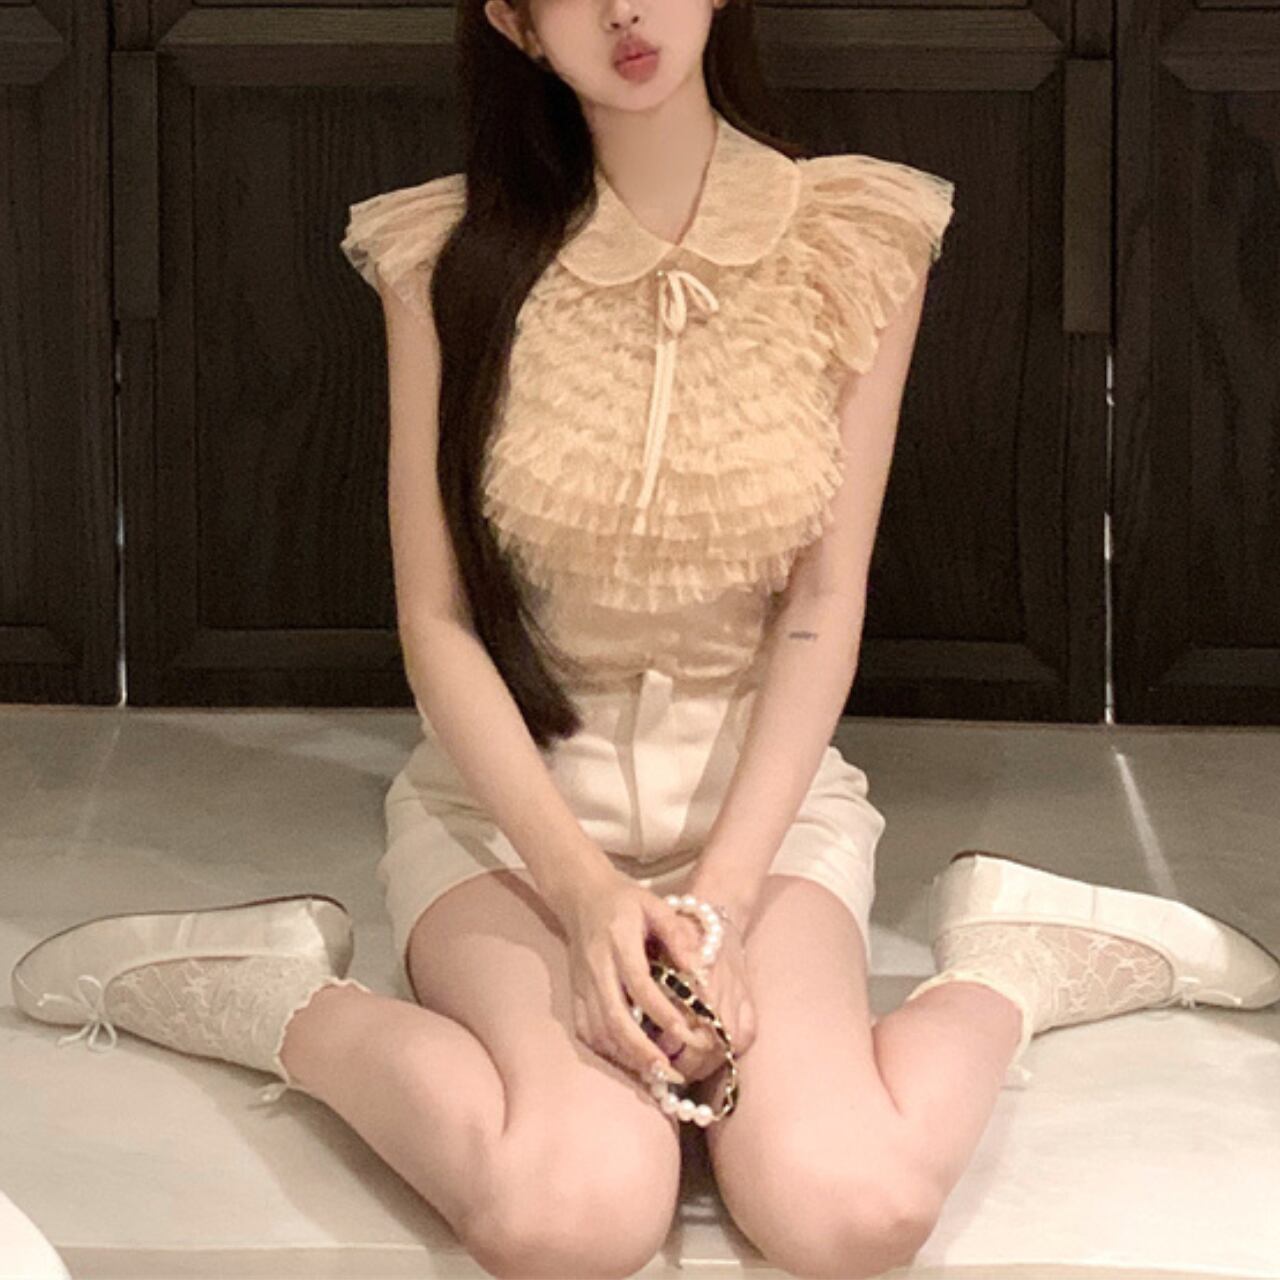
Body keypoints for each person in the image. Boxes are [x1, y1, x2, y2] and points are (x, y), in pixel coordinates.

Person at [13, 2, 1279, 1278]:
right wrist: (583, 898)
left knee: (847, 1209)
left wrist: (719, 901)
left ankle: (1010, 967)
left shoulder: (852, 235)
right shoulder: (442, 254)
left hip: (759, 814)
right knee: (577, 1214)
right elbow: (436, 622)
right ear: (515, 22)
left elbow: (822, 604)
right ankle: (269, 995)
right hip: (508, 823)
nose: (623, 9)